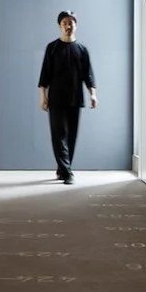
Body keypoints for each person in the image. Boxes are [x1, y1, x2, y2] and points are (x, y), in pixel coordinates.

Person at [38, 10, 97, 184]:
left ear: (76, 25)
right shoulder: (52, 48)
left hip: (75, 99)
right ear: (59, 26)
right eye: (64, 23)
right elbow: (45, 74)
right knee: (59, 136)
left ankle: (63, 168)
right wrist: (43, 96)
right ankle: (67, 173)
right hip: (56, 99)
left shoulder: (82, 50)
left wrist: (93, 95)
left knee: (71, 137)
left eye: (71, 22)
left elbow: (88, 75)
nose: (68, 26)